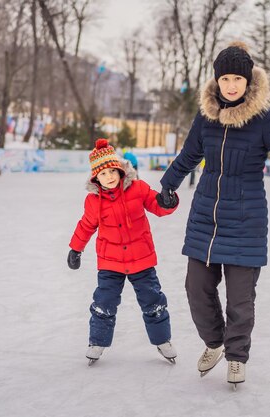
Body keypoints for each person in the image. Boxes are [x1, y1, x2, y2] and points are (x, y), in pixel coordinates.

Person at [156, 41, 270, 387]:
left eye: (238, 78)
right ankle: (214, 343)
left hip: (247, 219)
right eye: (225, 79)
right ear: (217, 81)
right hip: (206, 217)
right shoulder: (206, 116)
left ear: (249, 81)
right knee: (196, 288)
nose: (232, 85)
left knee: (240, 299)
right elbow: (189, 155)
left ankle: (236, 357)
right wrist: (168, 184)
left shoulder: (264, 119)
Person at [67, 138, 180, 365]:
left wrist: (169, 202)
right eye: (102, 173)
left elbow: (158, 206)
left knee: (153, 300)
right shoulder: (93, 201)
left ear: (120, 170)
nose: (108, 176)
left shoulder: (138, 189)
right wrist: (75, 249)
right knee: (104, 302)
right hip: (110, 263)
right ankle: (97, 342)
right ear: (95, 178)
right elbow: (86, 225)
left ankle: (163, 340)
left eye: (112, 171)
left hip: (142, 260)